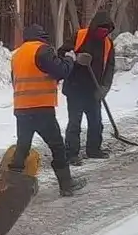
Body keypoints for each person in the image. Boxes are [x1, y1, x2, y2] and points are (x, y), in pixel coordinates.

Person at [11, 24, 87, 197]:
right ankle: (66, 185)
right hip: (41, 108)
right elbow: (61, 71)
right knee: (57, 147)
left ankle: (11, 187)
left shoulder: (17, 55)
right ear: (42, 37)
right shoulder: (43, 50)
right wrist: (69, 59)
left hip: (22, 108)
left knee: (23, 147)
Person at [57, 11, 116, 166]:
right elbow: (61, 52)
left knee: (96, 121)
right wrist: (76, 58)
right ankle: (71, 154)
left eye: (106, 30)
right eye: (101, 29)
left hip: (94, 90)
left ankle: (94, 149)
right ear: (94, 27)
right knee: (75, 123)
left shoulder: (108, 44)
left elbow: (110, 67)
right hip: (75, 88)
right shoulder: (80, 36)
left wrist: (104, 87)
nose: (103, 32)